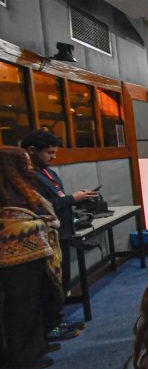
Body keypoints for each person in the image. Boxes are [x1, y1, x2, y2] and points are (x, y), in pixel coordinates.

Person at [20, 130, 98, 314]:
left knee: (62, 279)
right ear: (31, 150)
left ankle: (57, 319)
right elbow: (41, 208)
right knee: (51, 283)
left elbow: (57, 198)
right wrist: (73, 198)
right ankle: (53, 325)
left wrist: (76, 198)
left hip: (63, 232)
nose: (53, 157)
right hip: (46, 235)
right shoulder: (28, 177)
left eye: (55, 153)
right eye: (49, 153)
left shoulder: (48, 172)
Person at [0, 145, 63, 369]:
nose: (29, 167)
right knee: (21, 306)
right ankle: (25, 354)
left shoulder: (22, 188)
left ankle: (38, 344)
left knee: (36, 301)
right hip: (14, 260)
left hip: (34, 255)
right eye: (25, 163)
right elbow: (13, 223)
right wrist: (37, 224)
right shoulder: (5, 192)